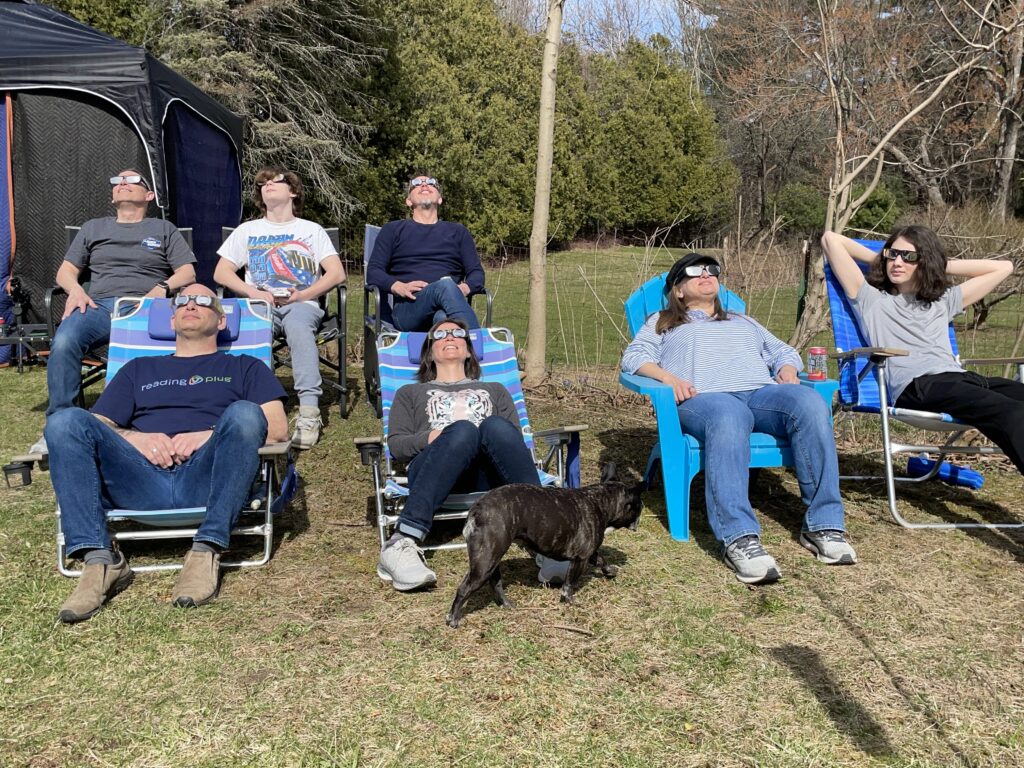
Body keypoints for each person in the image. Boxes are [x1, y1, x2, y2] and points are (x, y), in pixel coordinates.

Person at [47, 283, 289, 624]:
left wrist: (208, 435)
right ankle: (101, 559)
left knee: (246, 412)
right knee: (65, 421)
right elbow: (95, 426)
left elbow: (277, 428)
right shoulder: (138, 369)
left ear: (221, 322)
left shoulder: (245, 367)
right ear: (172, 319)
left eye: (203, 300)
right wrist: (136, 439)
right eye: (182, 301)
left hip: (207, 475)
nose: (191, 304)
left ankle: (206, 550)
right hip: (139, 479)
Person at [621, 253, 857, 585]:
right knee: (729, 415)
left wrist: (788, 369)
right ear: (678, 291)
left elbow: (783, 351)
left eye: (711, 270)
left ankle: (825, 525)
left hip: (760, 393)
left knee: (810, 403)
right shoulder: (663, 322)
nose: (706, 274)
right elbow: (634, 357)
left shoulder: (743, 321)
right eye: (694, 272)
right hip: (702, 399)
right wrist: (667, 379)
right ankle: (739, 538)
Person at [821, 227, 1023, 475]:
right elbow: (831, 240)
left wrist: (936, 264)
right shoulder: (870, 299)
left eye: (909, 257)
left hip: (961, 379)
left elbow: (1004, 267)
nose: (897, 262)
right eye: (893, 254)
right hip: (919, 386)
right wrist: (884, 258)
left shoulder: (943, 301)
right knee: (1010, 412)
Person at [31, 170, 196, 453]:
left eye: (132, 181)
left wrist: (161, 289)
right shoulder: (93, 228)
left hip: (147, 306)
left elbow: (188, 272)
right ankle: (59, 426)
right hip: (98, 305)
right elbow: (66, 272)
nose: (122, 184)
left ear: (149, 195)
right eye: (117, 181)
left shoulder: (163, 229)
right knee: (64, 341)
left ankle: (158, 418)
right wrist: (76, 290)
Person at [378, 318, 542, 591]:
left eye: (458, 333)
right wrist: (432, 436)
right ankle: (402, 541)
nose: (450, 337)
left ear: (468, 351)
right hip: (434, 469)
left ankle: (546, 538)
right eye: (440, 334)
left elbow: (513, 442)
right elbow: (397, 444)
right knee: (464, 430)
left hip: (488, 476)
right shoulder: (410, 393)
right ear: (430, 352)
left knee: (496, 427)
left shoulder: (496, 390)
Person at [215, 167, 345, 449]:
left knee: (298, 324)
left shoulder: (311, 230)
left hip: (301, 303)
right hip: (260, 304)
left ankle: (309, 412)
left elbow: (336, 274)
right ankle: (252, 409)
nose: (268, 185)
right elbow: (221, 273)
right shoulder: (247, 230)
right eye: (263, 183)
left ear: (293, 191)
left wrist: (303, 295)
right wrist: (253, 292)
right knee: (251, 329)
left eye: (276, 181)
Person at [365, 175, 484, 331]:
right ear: (409, 201)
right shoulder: (393, 230)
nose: (424, 185)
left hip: (447, 306)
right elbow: (373, 272)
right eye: (416, 184)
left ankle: (453, 350)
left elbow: (477, 273)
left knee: (442, 317)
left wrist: (463, 289)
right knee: (445, 285)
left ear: (440, 199)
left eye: (431, 183)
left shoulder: (458, 232)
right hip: (409, 308)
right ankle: (481, 348)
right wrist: (398, 286)